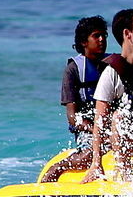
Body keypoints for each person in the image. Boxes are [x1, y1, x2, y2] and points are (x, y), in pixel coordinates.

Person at [80, 8, 133, 181]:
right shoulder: (111, 73)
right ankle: (125, 176)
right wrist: (97, 163)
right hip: (128, 140)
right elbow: (100, 120)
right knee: (119, 116)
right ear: (127, 34)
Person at [39, 16, 110, 183]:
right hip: (87, 129)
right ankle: (59, 167)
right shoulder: (73, 70)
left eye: (104, 36)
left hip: (110, 124)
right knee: (90, 153)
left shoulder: (112, 64)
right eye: (96, 36)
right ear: (84, 42)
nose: (102, 40)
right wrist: (95, 131)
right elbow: (72, 117)